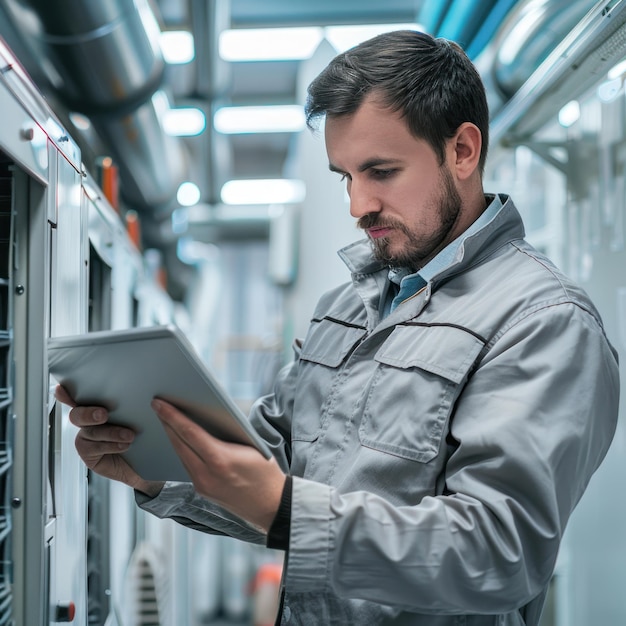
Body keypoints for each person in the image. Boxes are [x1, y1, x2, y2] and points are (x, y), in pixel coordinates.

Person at [56, 30, 620, 625]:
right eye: (345, 176)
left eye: (381, 171)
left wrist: (284, 509)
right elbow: (265, 466)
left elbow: (498, 554)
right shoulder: (346, 307)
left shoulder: (543, 322)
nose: (358, 206)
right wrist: (156, 468)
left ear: (462, 151)